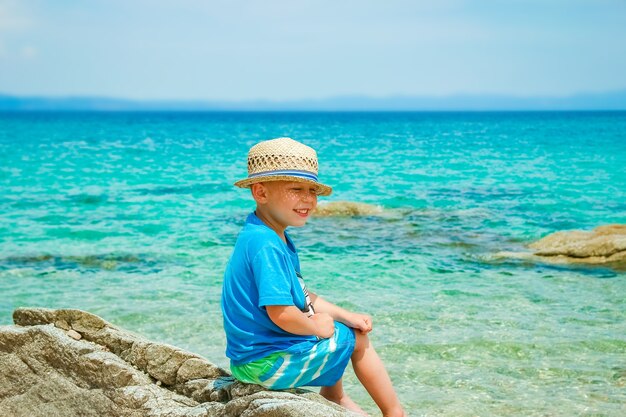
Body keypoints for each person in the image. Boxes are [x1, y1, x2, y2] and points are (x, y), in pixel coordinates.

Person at [221, 137, 406, 417]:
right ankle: (394, 413)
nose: (308, 199)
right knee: (355, 339)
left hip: (251, 359)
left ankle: (335, 397)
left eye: (312, 190)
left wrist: (344, 314)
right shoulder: (266, 244)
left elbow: (303, 298)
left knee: (345, 328)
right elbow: (281, 314)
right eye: (296, 189)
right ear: (260, 192)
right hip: (264, 364)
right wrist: (317, 328)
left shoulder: (268, 234)